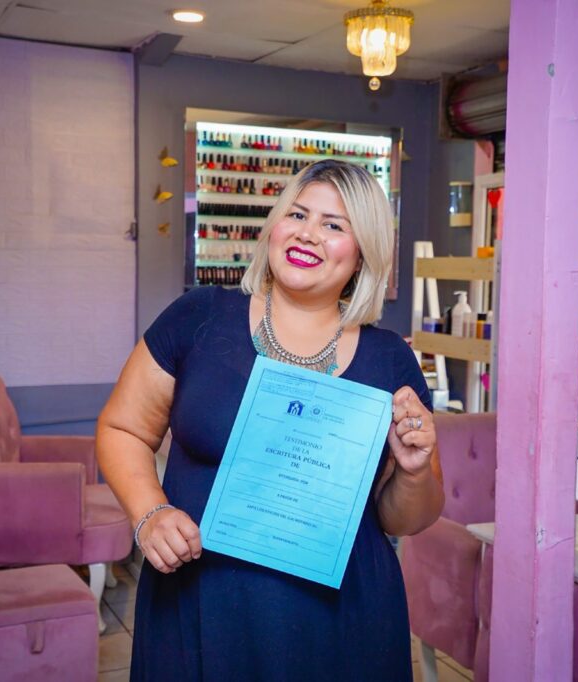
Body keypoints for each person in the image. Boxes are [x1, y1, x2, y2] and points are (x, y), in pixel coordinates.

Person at [96, 159, 444, 681]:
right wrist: (150, 513)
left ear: (363, 253)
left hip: (341, 621)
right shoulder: (200, 317)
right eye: (297, 214)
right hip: (203, 604)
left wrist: (414, 472)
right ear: (275, 225)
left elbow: (404, 520)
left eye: (334, 224)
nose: (308, 233)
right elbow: (122, 429)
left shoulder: (390, 359)